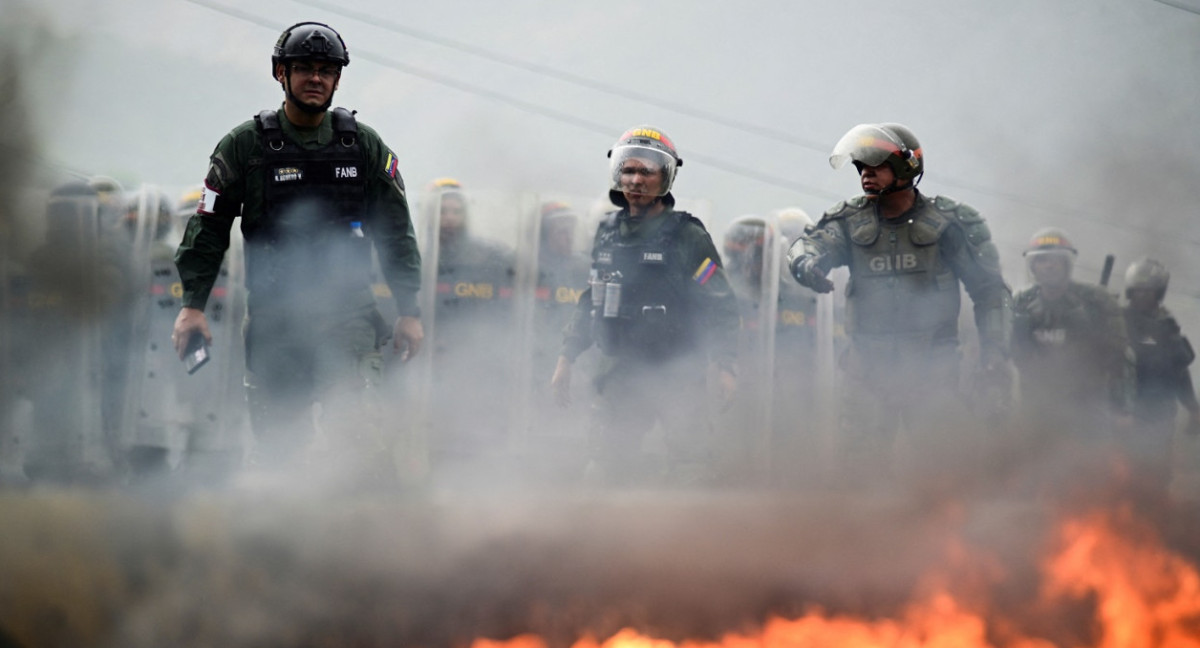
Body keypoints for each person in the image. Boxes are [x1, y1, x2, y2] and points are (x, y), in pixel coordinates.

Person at [172, 22, 423, 483]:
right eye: (304, 68)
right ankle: (286, 542)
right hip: (275, 325)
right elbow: (208, 227)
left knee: (362, 441)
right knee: (278, 451)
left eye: (326, 70)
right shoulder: (245, 146)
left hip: (348, 321)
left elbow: (395, 229)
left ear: (338, 79)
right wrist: (193, 307)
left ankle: (361, 543)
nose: (315, 78)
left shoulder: (362, 144)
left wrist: (409, 310)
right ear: (279, 73)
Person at [786, 123, 1011, 491]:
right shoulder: (847, 220)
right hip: (866, 372)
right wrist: (807, 264)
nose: (866, 174)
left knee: (942, 480)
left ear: (905, 168)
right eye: (861, 166)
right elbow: (809, 245)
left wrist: (995, 353)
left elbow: (991, 292)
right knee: (859, 480)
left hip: (933, 371)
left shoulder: (951, 223)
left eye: (876, 165)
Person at [551, 125, 740, 486]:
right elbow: (591, 298)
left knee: (690, 469)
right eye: (628, 170)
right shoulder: (607, 233)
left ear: (665, 177)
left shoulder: (688, 236)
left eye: (646, 172)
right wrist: (566, 357)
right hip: (621, 370)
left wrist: (725, 363)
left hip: (678, 369)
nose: (635, 180)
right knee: (605, 469)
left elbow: (720, 302)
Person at [1011, 228, 1133, 478]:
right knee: (1039, 470)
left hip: (1087, 401)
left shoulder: (1097, 301)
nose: (1049, 266)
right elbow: (1014, 351)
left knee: (1093, 471)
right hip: (1040, 402)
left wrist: (1121, 406)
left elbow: (1118, 353)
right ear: (1033, 267)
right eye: (1042, 260)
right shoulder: (1021, 303)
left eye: (1055, 259)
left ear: (1067, 264)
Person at [1120, 257, 1200, 493]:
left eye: (1149, 292)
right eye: (1137, 291)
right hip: (1122, 411)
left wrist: (1193, 408)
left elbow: (1179, 370)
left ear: (1159, 293)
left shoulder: (1166, 325)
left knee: (1155, 475)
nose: (1142, 296)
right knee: (1119, 472)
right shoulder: (1117, 320)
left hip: (1157, 412)